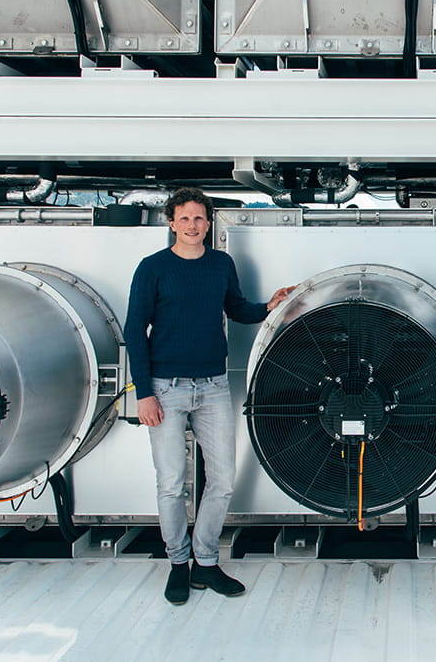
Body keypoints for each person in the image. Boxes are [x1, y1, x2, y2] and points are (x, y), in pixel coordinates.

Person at [124, 187, 294, 606]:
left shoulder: (221, 263)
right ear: (171, 223)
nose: (192, 225)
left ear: (208, 223)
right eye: (184, 218)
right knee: (171, 484)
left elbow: (235, 309)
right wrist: (144, 394)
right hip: (165, 388)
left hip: (214, 386)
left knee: (221, 480)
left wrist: (267, 308)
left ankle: (205, 561)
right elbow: (133, 332)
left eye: (199, 218)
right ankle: (178, 565)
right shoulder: (153, 268)